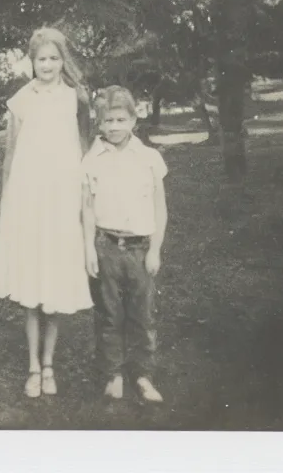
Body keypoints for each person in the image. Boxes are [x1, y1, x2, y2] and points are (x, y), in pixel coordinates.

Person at [0, 27, 93, 398]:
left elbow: (83, 149)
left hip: (62, 200)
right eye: (40, 59)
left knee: (56, 282)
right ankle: (33, 367)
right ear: (31, 62)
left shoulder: (74, 98)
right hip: (28, 200)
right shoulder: (20, 101)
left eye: (53, 58)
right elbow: (11, 154)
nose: (47, 65)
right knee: (31, 285)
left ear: (62, 61)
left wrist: (85, 198)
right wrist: (6, 198)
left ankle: (49, 363)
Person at [82, 85, 168, 403]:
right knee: (108, 314)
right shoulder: (92, 160)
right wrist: (90, 248)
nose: (114, 127)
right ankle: (113, 374)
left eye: (120, 119)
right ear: (99, 122)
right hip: (106, 245)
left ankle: (143, 375)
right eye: (108, 121)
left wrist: (156, 248)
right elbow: (88, 208)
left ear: (133, 119)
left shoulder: (149, 158)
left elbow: (160, 207)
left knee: (143, 315)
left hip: (141, 248)